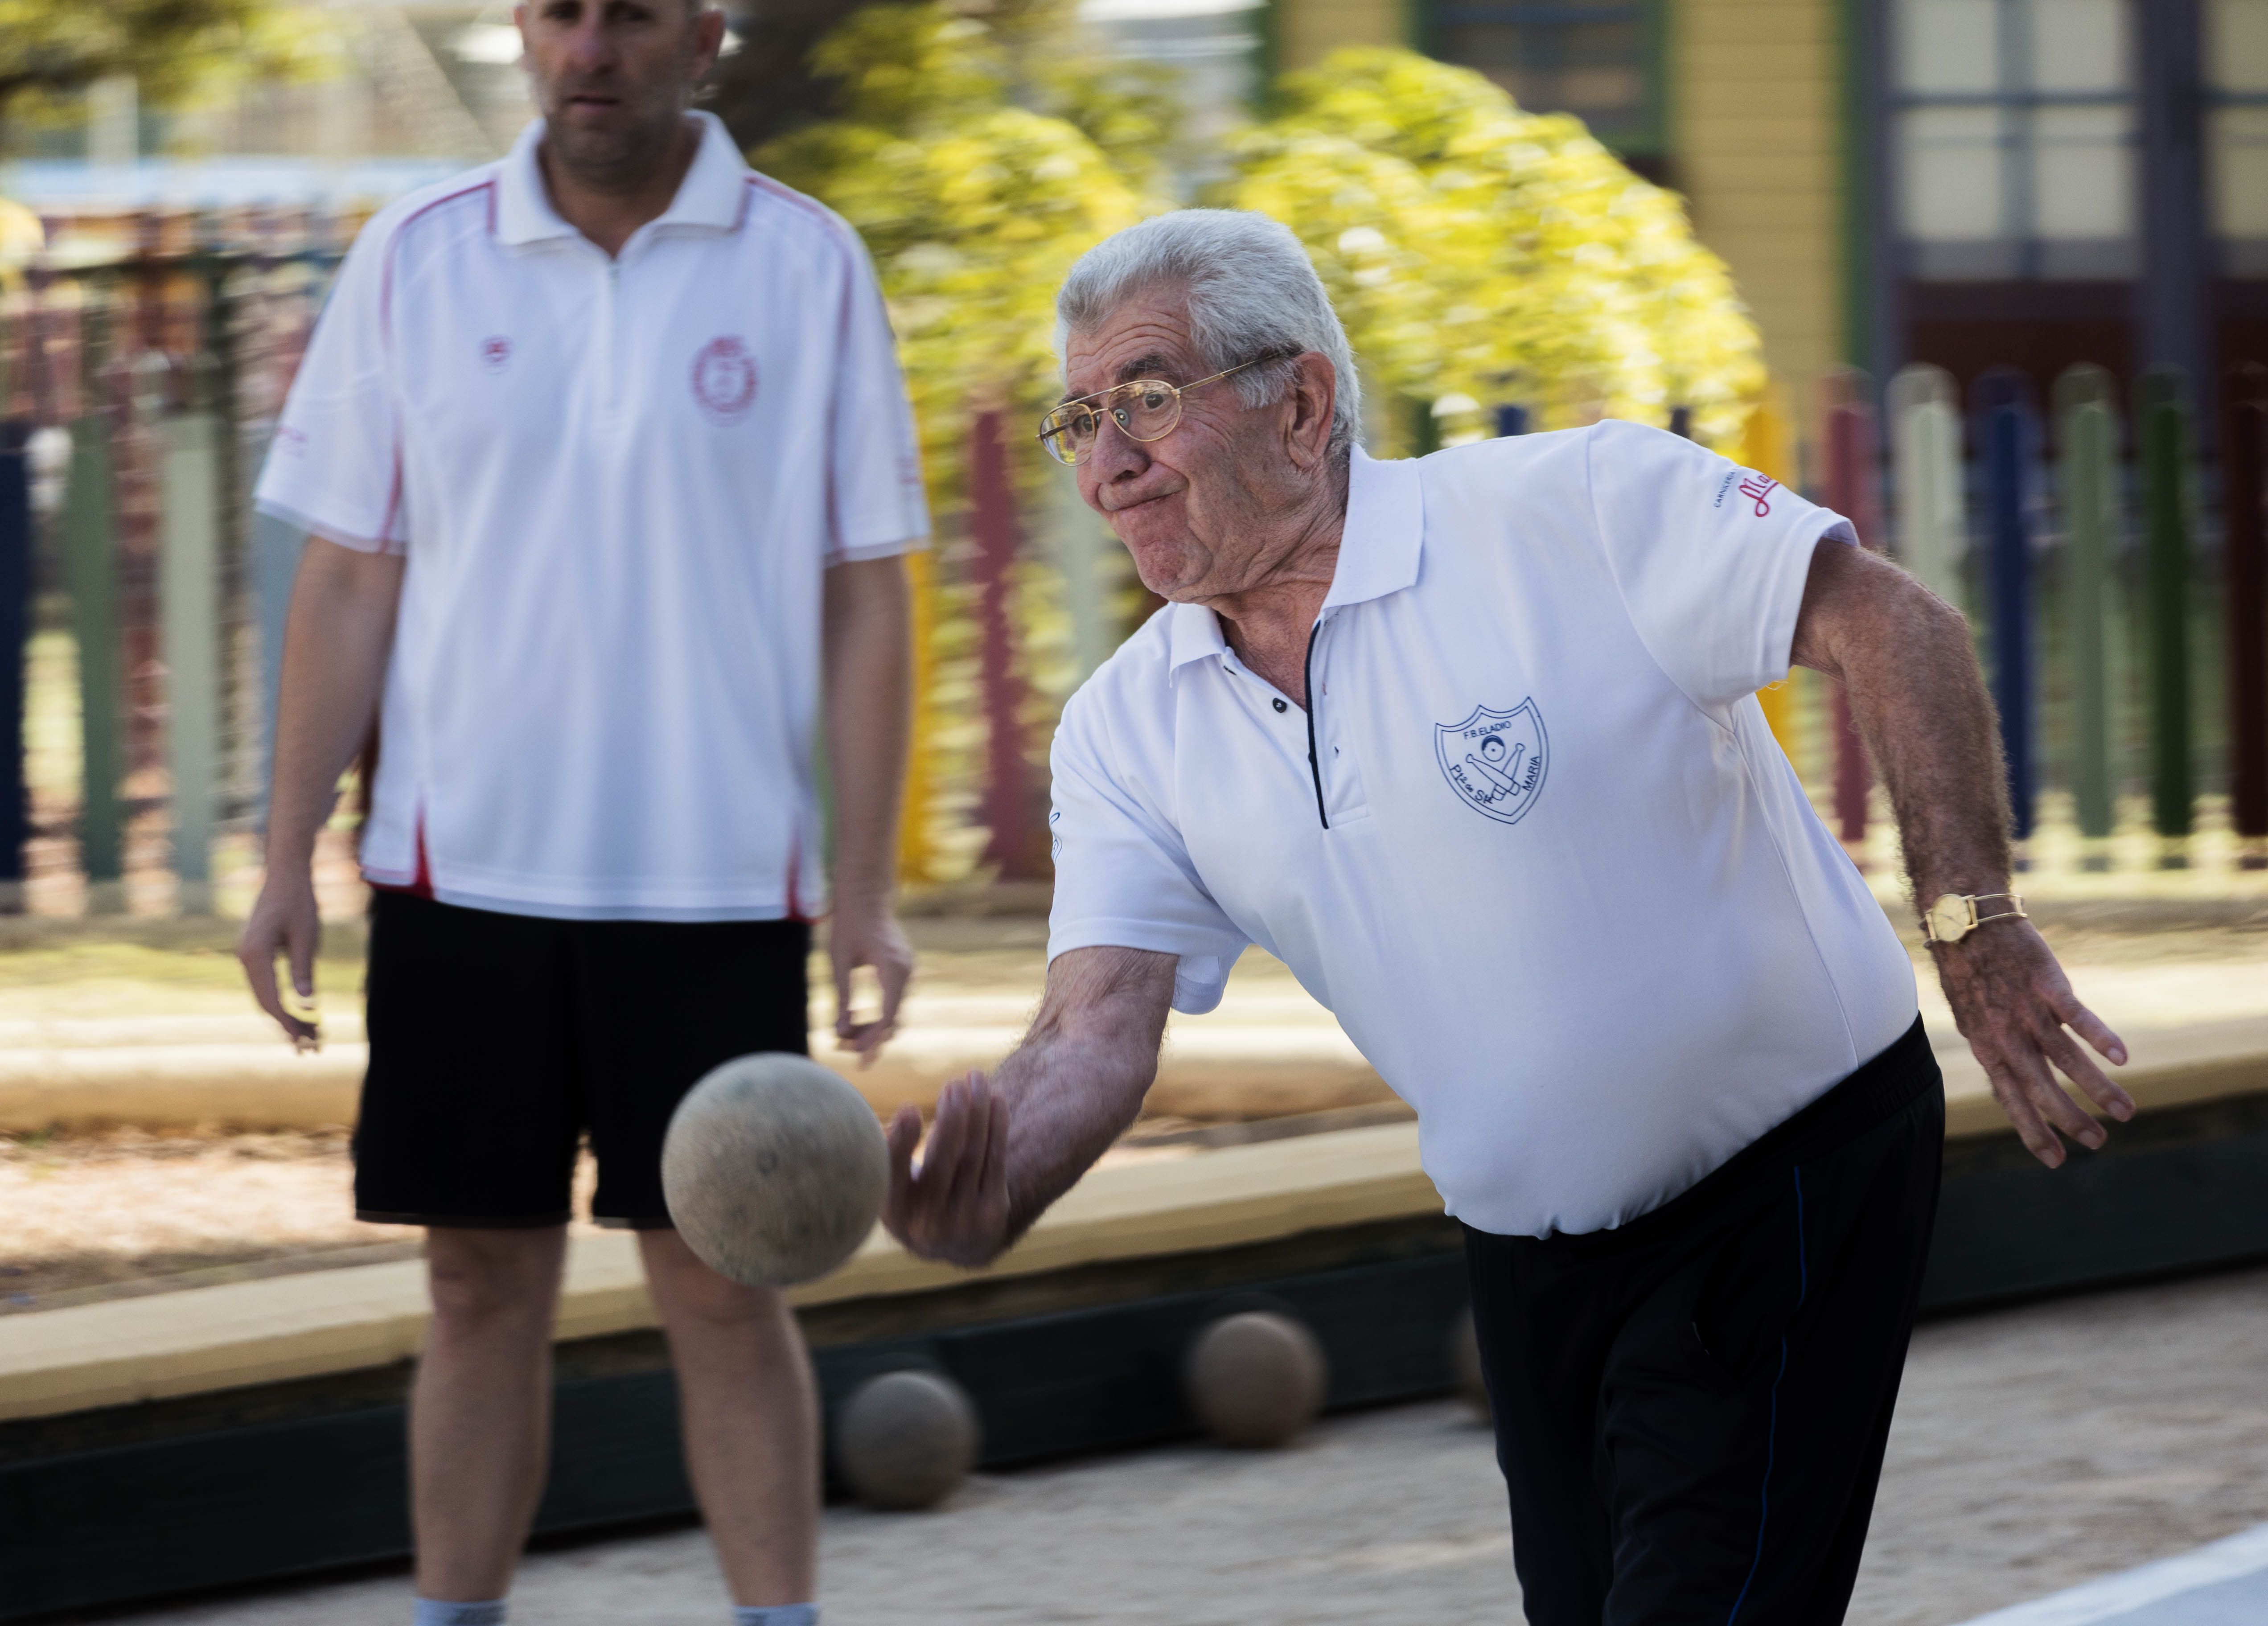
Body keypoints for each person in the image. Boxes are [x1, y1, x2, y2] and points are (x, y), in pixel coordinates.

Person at [882, 210, 2134, 1626]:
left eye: (1149, 403)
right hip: (1529, 1261)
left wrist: (1973, 927)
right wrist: (1004, 1173)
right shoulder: (1126, 731)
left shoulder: (1574, 508)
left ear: (1300, 404)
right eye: (1080, 420)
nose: (1107, 467)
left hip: (1786, 1179)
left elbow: (1893, 624)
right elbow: (1093, 1031)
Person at [236, 2, 927, 1623]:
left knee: (724, 1286)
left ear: (706, 33)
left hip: (714, 886)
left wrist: (869, 891)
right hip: (458, 874)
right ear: (525, 36)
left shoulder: (809, 265)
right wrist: (282, 856)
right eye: (561, 12)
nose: (591, 47)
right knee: (476, 1286)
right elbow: (349, 576)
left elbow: (868, 600)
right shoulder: (415, 256)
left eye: (631, 12)